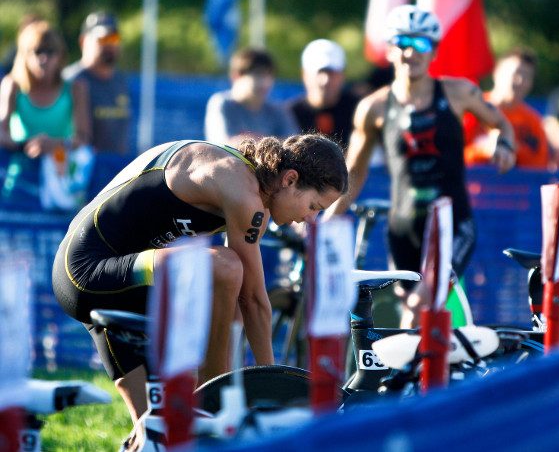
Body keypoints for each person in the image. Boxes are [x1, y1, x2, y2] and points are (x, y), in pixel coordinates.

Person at [51, 134, 347, 449]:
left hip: (116, 284)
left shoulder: (251, 173)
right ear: (290, 179)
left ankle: (207, 411)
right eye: (314, 206)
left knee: (162, 437)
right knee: (228, 269)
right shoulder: (244, 192)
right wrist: (271, 384)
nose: (310, 219)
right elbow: (254, 300)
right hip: (88, 273)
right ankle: (215, 400)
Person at [324, 5, 515, 329]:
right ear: (389, 49)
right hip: (403, 229)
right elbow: (354, 172)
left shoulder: (459, 92)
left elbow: (501, 124)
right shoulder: (373, 108)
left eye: (421, 44)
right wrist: (327, 218)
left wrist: (505, 145)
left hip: (453, 224)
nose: (410, 51)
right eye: (401, 42)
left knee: (421, 302)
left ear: (435, 51)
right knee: (411, 317)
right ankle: (431, 378)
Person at [0, 20, 91, 210]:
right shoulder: (12, 86)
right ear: (25, 55)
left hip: (61, 181)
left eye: (50, 52)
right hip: (20, 181)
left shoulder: (76, 89)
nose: (44, 58)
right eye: (37, 51)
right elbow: (2, 131)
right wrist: (26, 145)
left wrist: (53, 145)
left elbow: (83, 137)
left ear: (60, 56)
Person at [464, 48, 550, 169]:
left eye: (527, 77)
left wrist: (515, 148)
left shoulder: (533, 121)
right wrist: (483, 150)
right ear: (497, 73)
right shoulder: (471, 109)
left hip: (517, 186)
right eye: (516, 73)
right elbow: (451, 156)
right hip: (475, 185)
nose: (520, 81)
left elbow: (541, 166)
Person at [63, 11, 132, 157]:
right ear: (83, 41)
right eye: (102, 39)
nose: (109, 44)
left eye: (113, 38)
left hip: (117, 170)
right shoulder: (71, 80)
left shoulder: (119, 80)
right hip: (83, 171)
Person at [204, 48, 298, 146]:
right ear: (236, 76)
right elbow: (224, 145)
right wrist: (271, 143)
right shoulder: (222, 103)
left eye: (269, 75)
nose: (265, 82)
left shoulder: (278, 110)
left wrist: (249, 140)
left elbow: (293, 145)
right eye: (258, 74)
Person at [288, 39, 359, 148]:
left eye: (332, 73)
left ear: (342, 75)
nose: (325, 80)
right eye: (319, 72)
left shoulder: (358, 109)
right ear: (304, 74)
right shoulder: (289, 114)